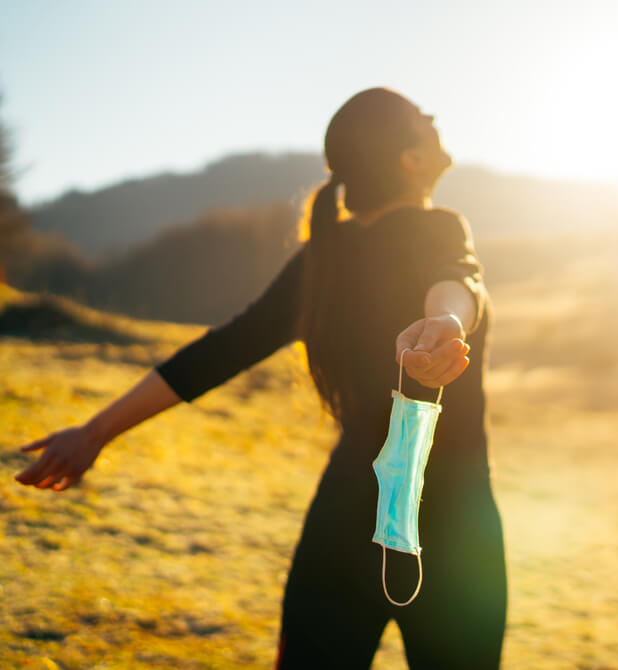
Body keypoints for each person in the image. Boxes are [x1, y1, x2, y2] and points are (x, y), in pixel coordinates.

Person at [13, 87, 508, 669]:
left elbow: (219, 351)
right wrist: (448, 319)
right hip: (456, 527)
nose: (433, 118)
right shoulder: (434, 226)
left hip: (342, 520)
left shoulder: (321, 257)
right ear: (411, 159)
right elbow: (458, 277)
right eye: (422, 118)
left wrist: (96, 432)